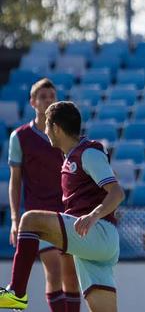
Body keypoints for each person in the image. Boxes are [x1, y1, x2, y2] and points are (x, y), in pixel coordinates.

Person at [0, 101, 124, 311]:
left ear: (56, 128)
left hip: (98, 233)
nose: (45, 131)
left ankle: (17, 293)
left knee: (29, 220)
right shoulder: (70, 157)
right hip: (91, 245)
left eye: (47, 126)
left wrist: (93, 215)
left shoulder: (88, 153)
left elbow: (117, 192)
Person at [7, 78, 81, 312]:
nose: (49, 100)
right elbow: (15, 179)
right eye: (43, 96)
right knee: (54, 270)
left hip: (67, 210)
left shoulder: (64, 134)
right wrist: (14, 218)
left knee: (71, 274)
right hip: (38, 212)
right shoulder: (20, 137)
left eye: (52, 96)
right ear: (32, 102)